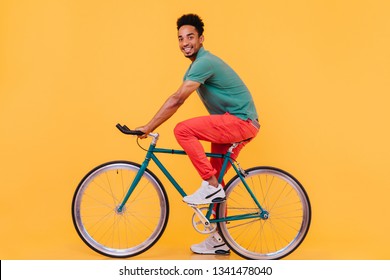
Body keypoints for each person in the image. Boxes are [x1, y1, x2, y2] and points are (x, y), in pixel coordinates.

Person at [136, 14, 260, 255]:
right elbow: (178, 98)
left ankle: (210, 185)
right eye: (180, 38)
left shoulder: (205, 62)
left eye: (190, 36)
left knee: (183, 130)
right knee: (219, 181)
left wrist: (149, 126)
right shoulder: (195, 66)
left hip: (240, 121)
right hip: (229, 123)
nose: (185, 42)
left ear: (201, 39)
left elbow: (177, 99)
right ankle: (218, 239)